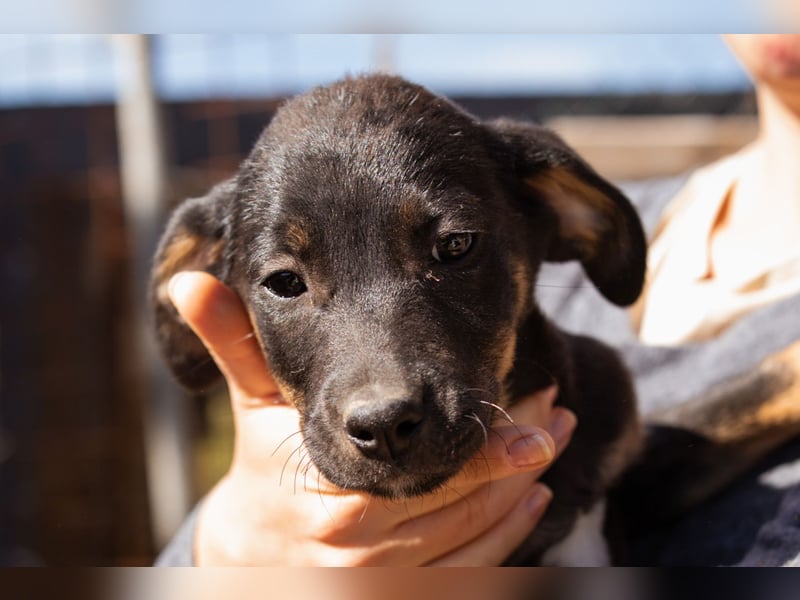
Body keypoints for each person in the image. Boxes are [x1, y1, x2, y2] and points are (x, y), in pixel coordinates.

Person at [157, 34, 800, 566]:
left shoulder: (594, 405)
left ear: (558, 215)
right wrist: (228, 550)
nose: (380, 400)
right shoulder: (594, 323)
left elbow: (650, 486)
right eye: (287, 283)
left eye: (454, 247)